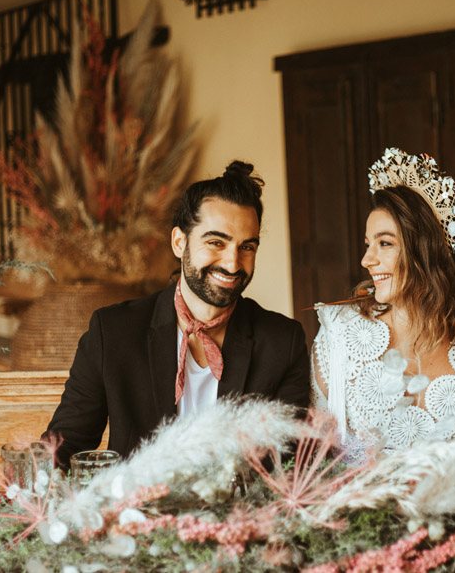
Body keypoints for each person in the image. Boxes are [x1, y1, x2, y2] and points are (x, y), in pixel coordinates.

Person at [45, 161, 311, 468]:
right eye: (216, 242)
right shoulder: (113, 332)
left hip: (239, 513)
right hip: (136, 512)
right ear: (179, 242)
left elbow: (289, 464)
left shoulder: (282, 341)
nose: (233, 263)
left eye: (246, 247)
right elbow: (64, 449)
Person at [311, 148, 455, 459]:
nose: (367, 260)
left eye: (385, 243)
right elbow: (314, 462)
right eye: (369, 244)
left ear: (427, 252)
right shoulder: (339, 337)